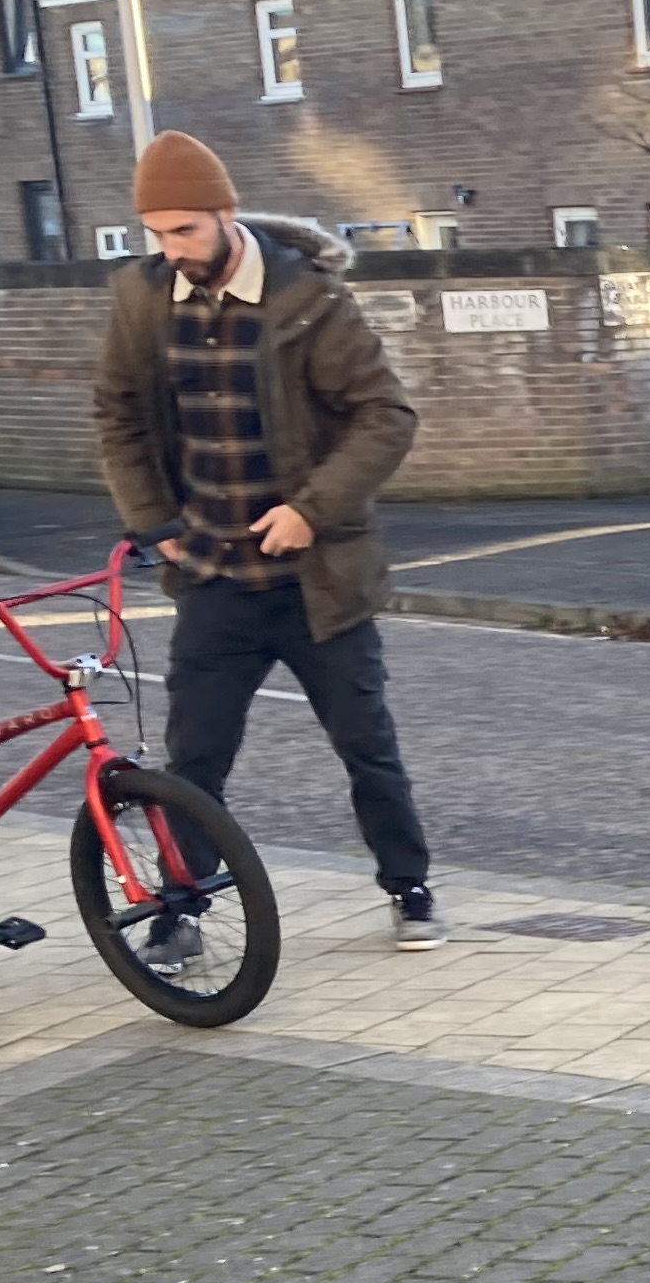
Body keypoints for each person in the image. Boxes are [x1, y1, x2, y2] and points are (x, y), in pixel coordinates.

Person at [92, 130, 437, 949]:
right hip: (212, 578)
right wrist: (154, 524)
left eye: (185, 231)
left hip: (318, 581)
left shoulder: (307, 299)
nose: (172, 250)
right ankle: (181, 913)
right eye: (157, 234)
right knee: (195, 763)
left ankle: (410, 888)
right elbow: (119, 414)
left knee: (366, 747)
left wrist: (310, 510)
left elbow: (386, 416)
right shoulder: (142, 300)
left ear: (224, 213)